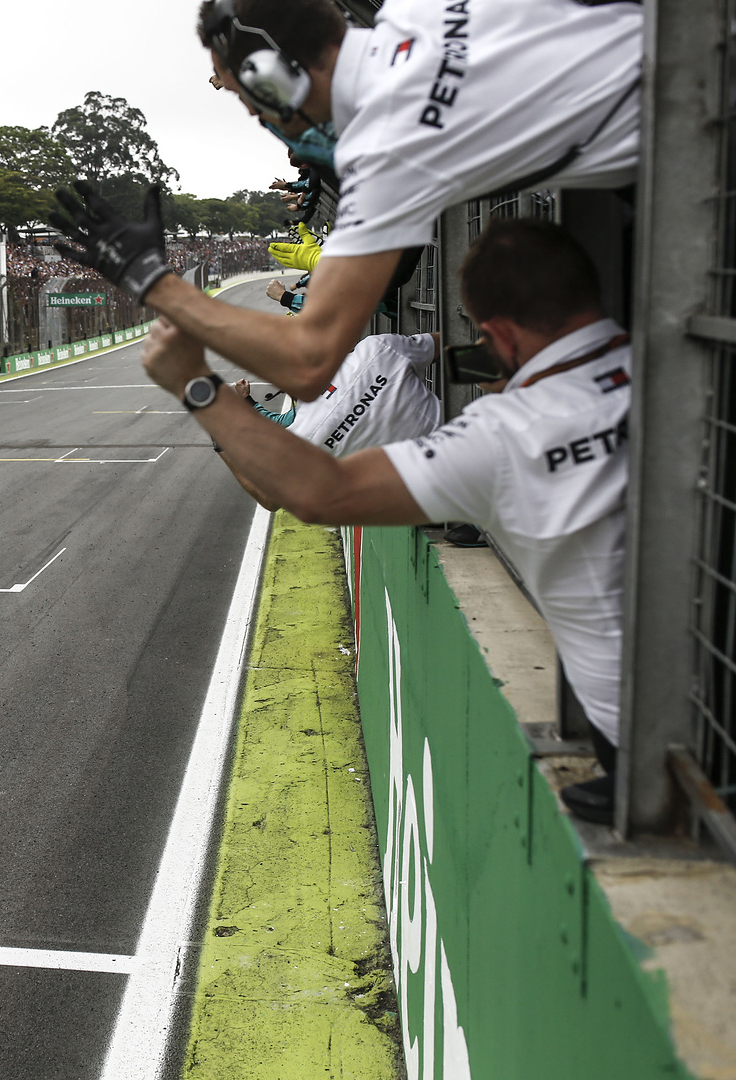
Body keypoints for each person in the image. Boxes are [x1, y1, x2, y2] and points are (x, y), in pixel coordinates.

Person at [142, 219, 630, 825]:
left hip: (634, 728)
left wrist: (203, 397)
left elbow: (313, 495)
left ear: (498, 330)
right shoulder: (670, 366)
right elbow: (437, 350)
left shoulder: (501, 435)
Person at [53, 0, 641, 400]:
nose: (256, 117)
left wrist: (153, 280)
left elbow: (309, 362)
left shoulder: (387, 151)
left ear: (271, 78)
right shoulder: (418, 9)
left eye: (245, 98)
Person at [221, 331, 441, 509]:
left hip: (436, 490)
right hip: (467, 437)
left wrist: (221, 443)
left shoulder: (304, 437)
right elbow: (444, 341)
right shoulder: (377, 348)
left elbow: (270, 499)